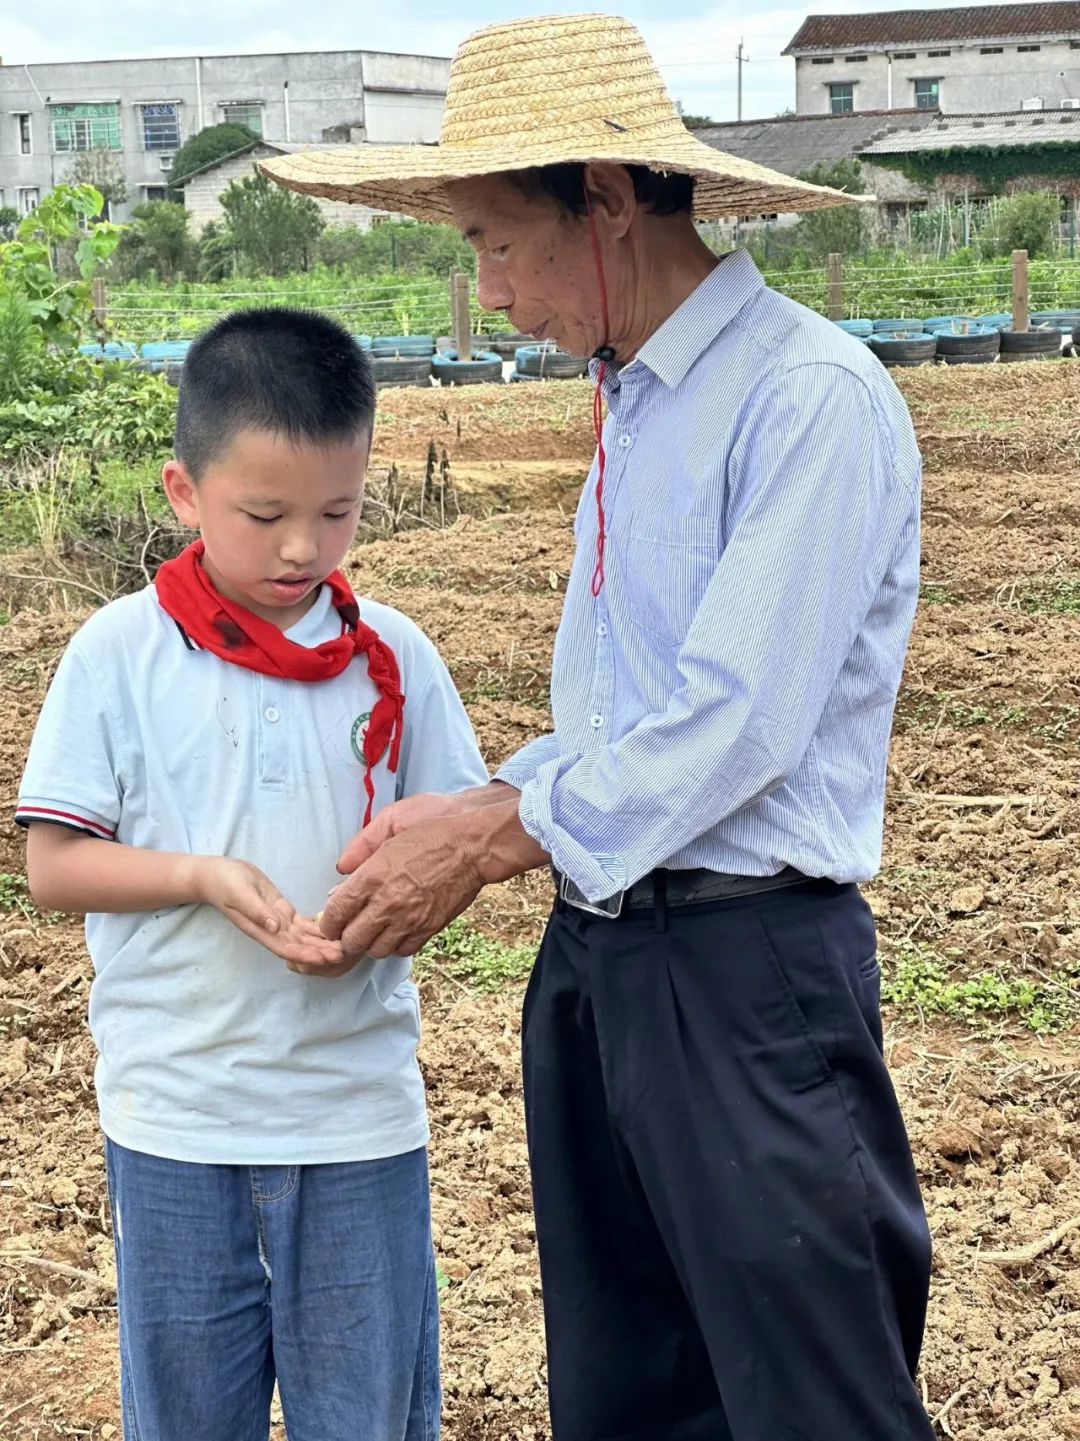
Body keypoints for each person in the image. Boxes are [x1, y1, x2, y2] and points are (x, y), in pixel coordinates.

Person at [265, 15, 935, 1441]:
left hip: (750, 978)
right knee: (633, 1392)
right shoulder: (634, 404)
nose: (492, 294)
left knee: (815, 1402)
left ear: (610, 202)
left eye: (500, 244)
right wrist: (488, 808)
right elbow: (624, 710)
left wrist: (490, 834)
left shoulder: (804, 399)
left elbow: (735, 723)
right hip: (608, 956)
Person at [17, 308, 487, 1441]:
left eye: (338, 513)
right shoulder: (120, 656)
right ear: (185, 492)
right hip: (177, 1115)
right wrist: (202, 878)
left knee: (367, 1418)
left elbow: (465, 839)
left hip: (354, 1118)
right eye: (265, 515)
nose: (302, 550)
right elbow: (52, 863)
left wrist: (395, 909)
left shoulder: (396, 660)